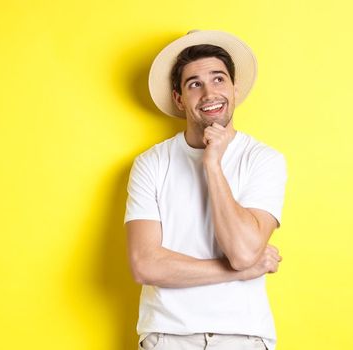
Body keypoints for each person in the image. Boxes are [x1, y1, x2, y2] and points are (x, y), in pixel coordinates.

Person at [124, 30, 287, 350]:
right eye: (194, 84)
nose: (209, 92)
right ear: (179, 98)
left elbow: (242, 252)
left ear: (235, 89)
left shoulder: (264, 159)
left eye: (218, 79)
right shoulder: (151, 163)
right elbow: (145, 264)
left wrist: (212, 164)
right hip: (169, 337)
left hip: (244, 336)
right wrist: (239, 272)